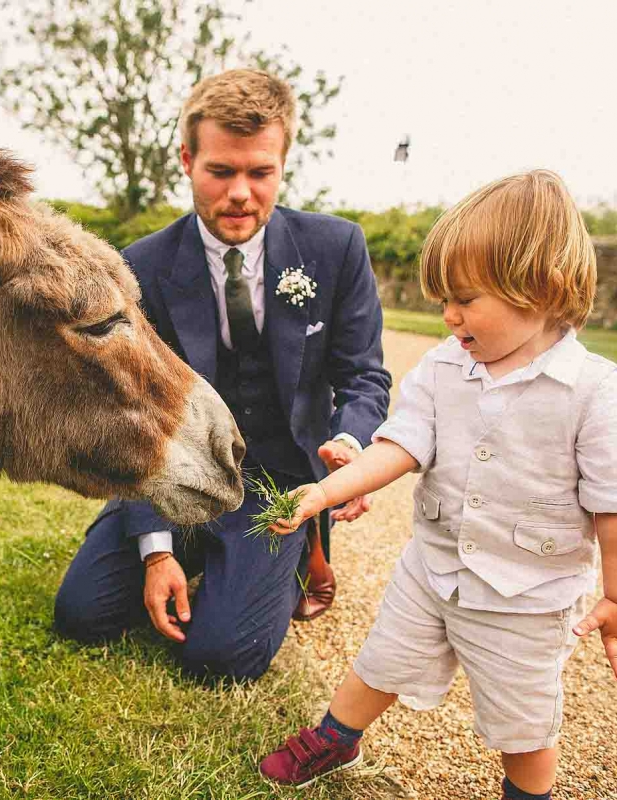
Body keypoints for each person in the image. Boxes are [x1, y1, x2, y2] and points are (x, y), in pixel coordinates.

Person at [256, 170, 617, 800]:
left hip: (529, 595)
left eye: (465, 298)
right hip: (432, 571)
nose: (448, 315)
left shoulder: (596, 395)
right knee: (380, 661)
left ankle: (528, 793)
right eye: (444, 298)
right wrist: (324, 494)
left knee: (522, 722)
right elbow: (401, 442)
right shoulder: (446, 364)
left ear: (539, 287)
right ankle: (336, 738)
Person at [52, 69, 392, 681]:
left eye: (259, 173)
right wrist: (155, 552)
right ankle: (199, 553)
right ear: (187, 159)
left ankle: (284, 557)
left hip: (281, 480)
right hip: (180, 471)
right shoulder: (142, 265)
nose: (240, 192)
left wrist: (349, 445)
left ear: (282, 165)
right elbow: (131, 413)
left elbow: (364, 376)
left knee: (219, 658)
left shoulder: (337, 248)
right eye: (221, 171)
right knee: (81, 614)